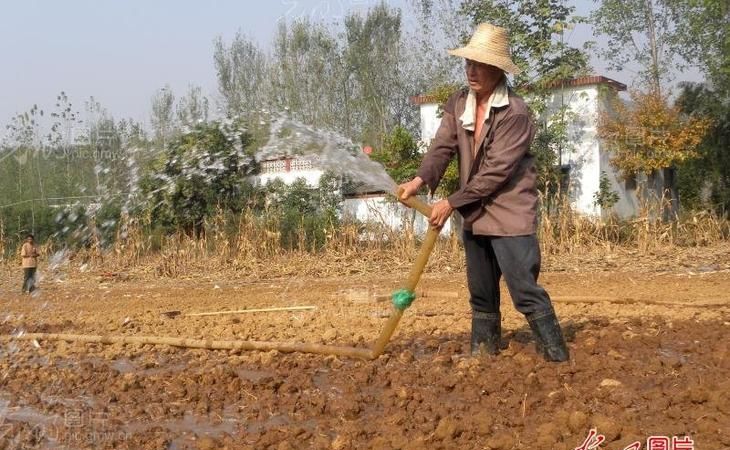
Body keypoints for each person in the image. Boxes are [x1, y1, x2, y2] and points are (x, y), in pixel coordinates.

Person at [399, 23, 569, 361]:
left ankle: (558, 357)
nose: (472, 71)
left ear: (497, 69)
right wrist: (418, 181)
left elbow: (495, 173)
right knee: (481, 292)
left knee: (524, 291)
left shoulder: (515, 113)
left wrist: (451, 202)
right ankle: (483, 354)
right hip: (475, 213)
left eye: (480, 65)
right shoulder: (459, 102)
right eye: (468, 64)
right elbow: (442, 147)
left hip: (509, 214)